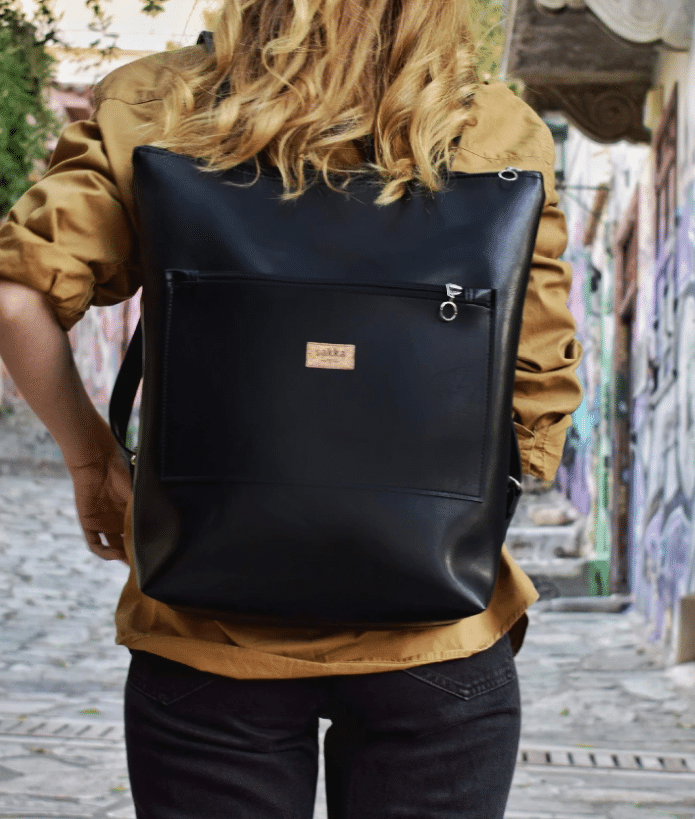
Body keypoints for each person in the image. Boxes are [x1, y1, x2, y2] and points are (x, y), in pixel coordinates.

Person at [0, 1, 583, 816]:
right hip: (436, 634)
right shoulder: (491, 127)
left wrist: (93, 459)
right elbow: (538, 388)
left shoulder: (154, 105)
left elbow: (18, 299)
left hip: (204, 633)